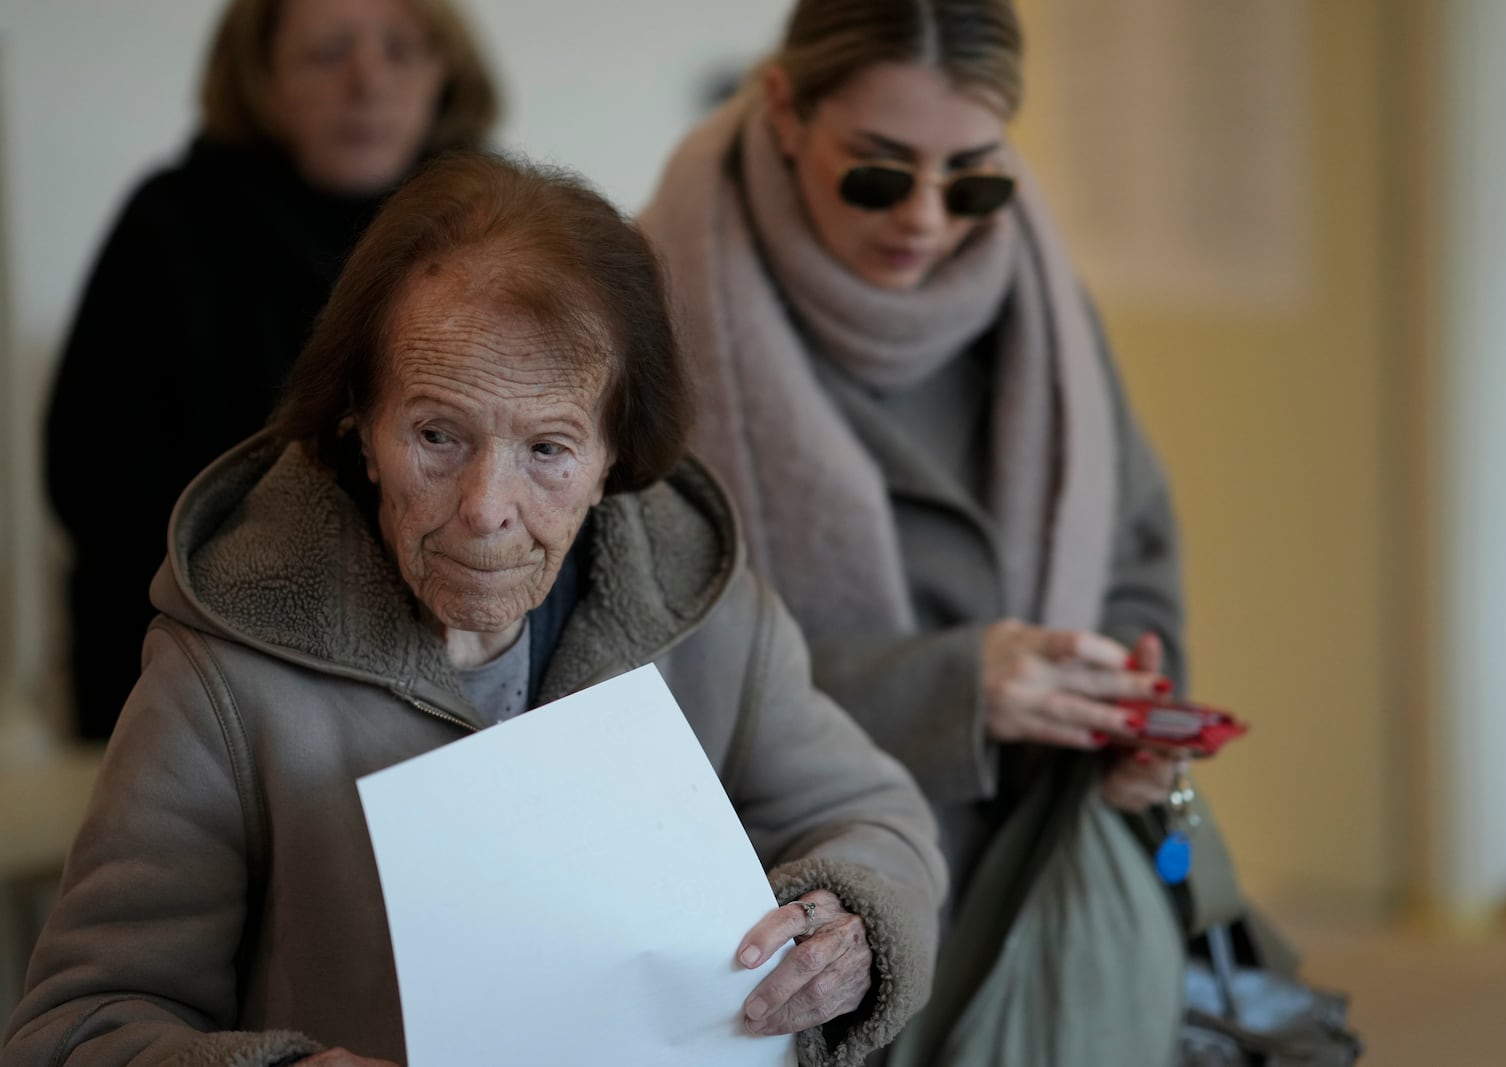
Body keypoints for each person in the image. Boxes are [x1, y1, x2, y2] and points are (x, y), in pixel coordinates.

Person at [3, 153, 946, 1067]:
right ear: (360, 424)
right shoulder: (227, 671)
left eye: (548, 447)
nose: (486, 506)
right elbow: (78, 1027)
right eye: (438, 434)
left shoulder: (700, 607)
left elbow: (874, 817)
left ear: (613, 455)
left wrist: (853, 925)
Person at [638, 1, 1267, 1062]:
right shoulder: (647, 309)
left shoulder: (1041, 303)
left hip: (1028, 881)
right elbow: (635, 661)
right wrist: (953, 685)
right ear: (786, 111)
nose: (926, 218)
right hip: (781, 908)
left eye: (972, 175)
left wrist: (1126, 711)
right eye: (879, 171)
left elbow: (1133, 549)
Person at [44, 0, 498, 739]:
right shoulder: (170, 223)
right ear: (261, 79)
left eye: (403, 51)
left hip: (455, 659)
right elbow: (93, 481)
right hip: (204, 664)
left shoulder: (498, 221)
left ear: (446, 72)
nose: (369, 83)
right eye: (327, 53)